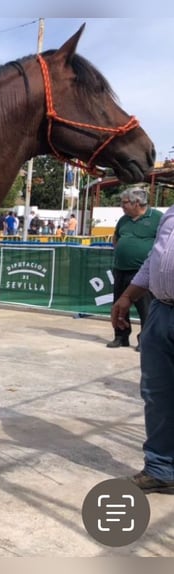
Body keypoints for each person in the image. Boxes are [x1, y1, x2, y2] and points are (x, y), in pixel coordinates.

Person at [111, 203, 174, 493]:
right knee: (157, 393)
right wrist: (127, 296)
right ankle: (161, 468)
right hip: (161, 311)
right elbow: (154, 260)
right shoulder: (170, 214)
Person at [107, 188, 162, 350]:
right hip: (120, 269)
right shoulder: (124, 219)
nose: (121, 206)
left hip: (142, 272)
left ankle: (145, 339)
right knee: (118, 304)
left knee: (145, 308)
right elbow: (116, 238)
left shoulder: (157, 218)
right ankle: (120, 336)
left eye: (124, 203)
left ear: (136, 203)